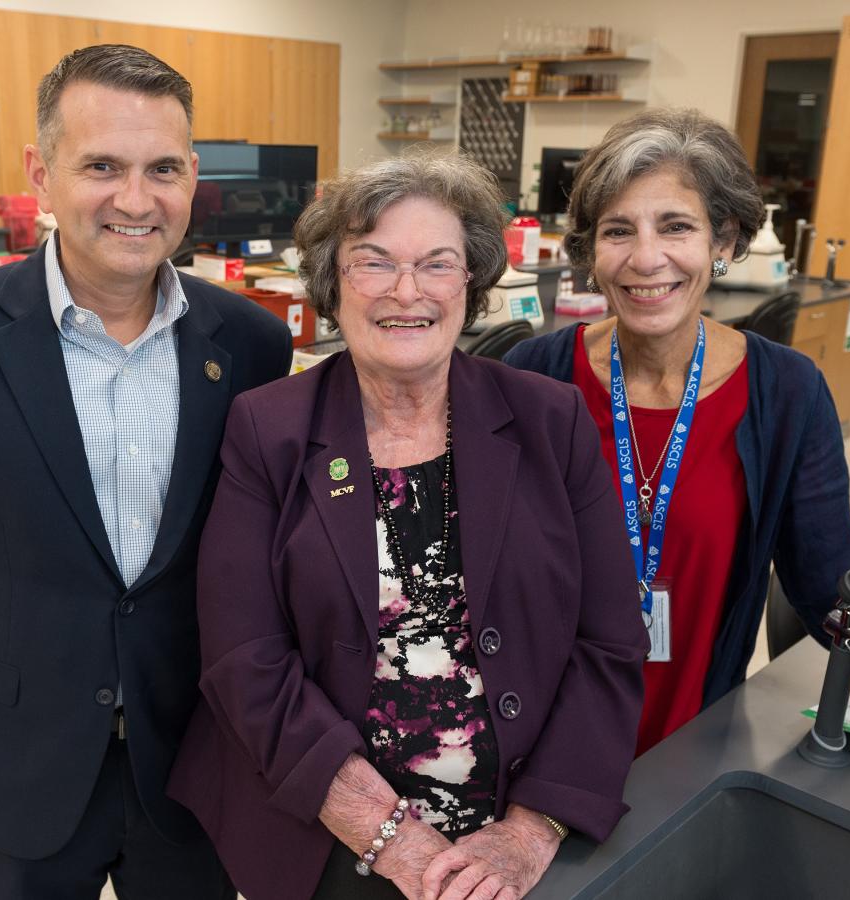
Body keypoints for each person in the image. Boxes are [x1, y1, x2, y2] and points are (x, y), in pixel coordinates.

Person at [0, 45, 292, 899]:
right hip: (15, 754)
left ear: (193, 175)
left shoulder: (251, 343)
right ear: (40, 172)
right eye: (102, 165)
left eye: (162, 168)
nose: (136, 200)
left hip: (193, 761)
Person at [167, 150, 647, 900]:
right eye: (373, 262)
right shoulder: (268, 430)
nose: (406, 291)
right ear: (333, 282)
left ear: (472, 282)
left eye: (437, 264)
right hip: (326, 832)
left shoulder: (550, 421)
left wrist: (531, 828)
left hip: (516, 829)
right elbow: (244, 659)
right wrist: (387, 833)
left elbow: (611, 640)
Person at [504, 107, 850, 761]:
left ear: (724, 242)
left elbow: (827, 585)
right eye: (619, 231)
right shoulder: (532, 379)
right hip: (531, 740)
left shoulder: (784, 393)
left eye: (677, 226)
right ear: (591, 253)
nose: (647, 258)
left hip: (687, 736)